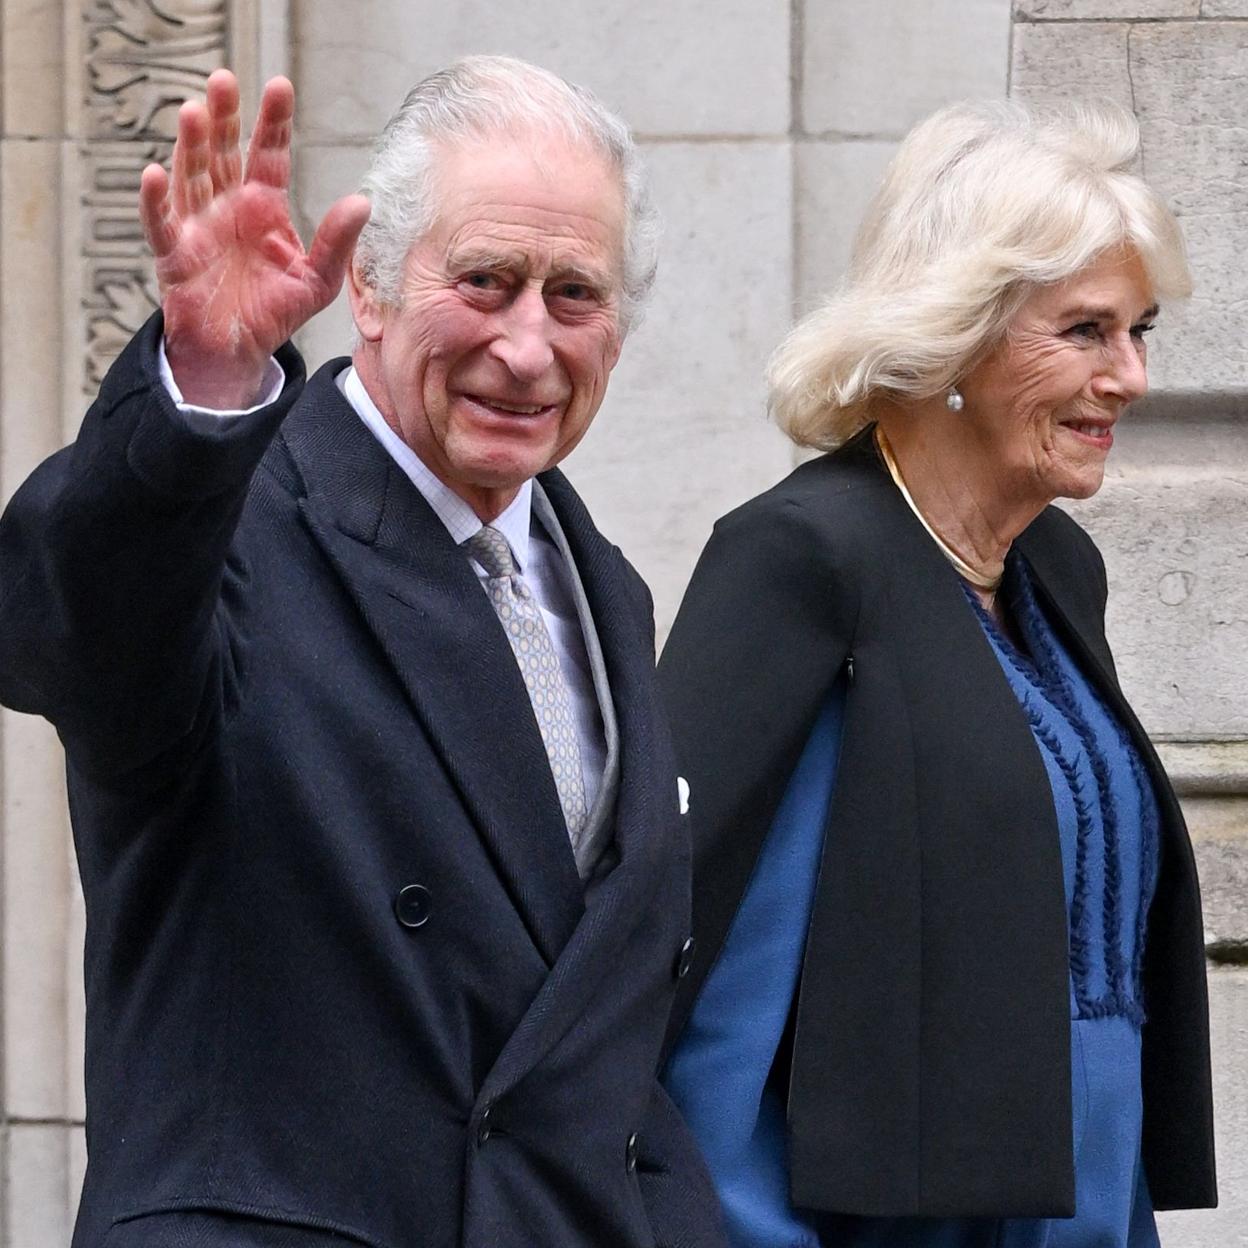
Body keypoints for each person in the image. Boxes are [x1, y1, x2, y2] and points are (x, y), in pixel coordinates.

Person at [0, 58, 724, 1248]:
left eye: (574, 295)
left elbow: (599, 1049)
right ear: (371, 289)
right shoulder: (232, 527)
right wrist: (206, 391)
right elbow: (64, 631)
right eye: (484, 281)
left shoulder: (604, 589)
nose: (528, 347)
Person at [658, 99, 1216, 1247]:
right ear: (956, 335)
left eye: (1138, 331)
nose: (1131, 376)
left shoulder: (1056, 567)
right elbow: (719, 1002)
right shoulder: (806, 561)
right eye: (1086, 332)